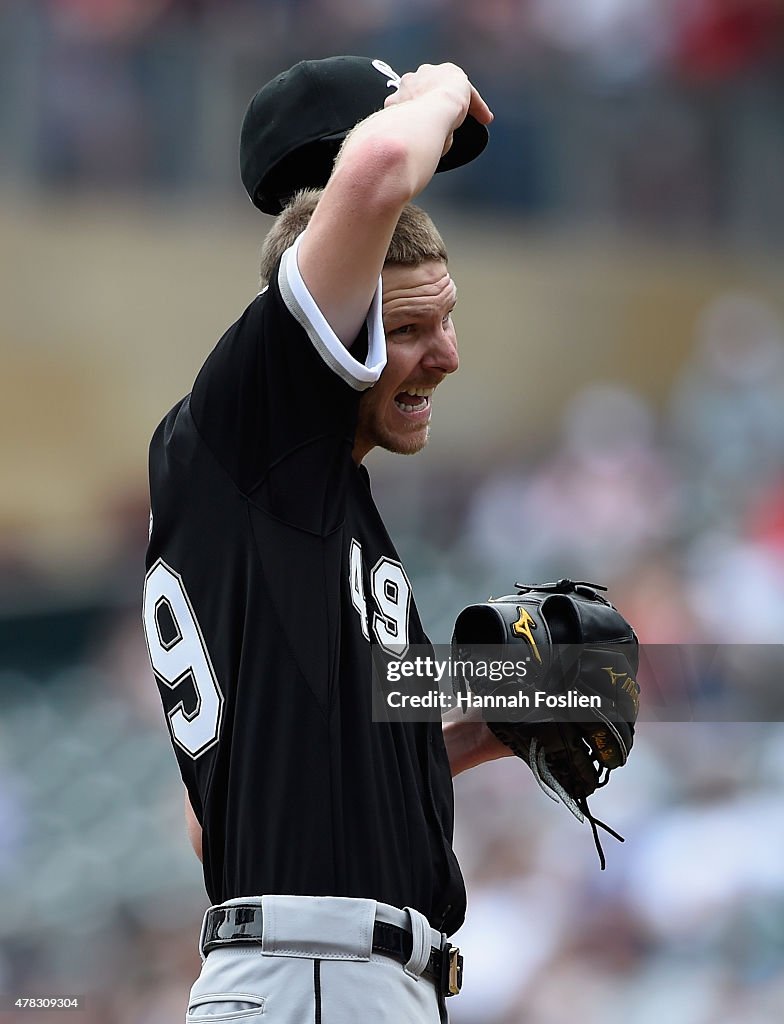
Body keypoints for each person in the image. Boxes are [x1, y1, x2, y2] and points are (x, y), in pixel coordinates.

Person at [142, 56, 502, 1024]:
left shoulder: (303, 503)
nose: (448, 354)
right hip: (318, 976)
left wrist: (491, 726)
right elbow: (382, 165)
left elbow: (219, 819)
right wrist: (437, 86)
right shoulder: (263, 414)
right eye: (412, 325)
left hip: (325, 975)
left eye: (450, 316)